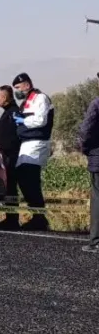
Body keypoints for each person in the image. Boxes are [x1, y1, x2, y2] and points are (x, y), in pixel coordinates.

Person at [11, 72, 53, 230]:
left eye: (18, 87)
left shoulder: (40, 98)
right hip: (26, 143)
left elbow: (41, 120)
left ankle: (39, 218)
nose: (17, 91)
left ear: (27, 85)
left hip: (37, 142)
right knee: (23, 178)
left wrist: (24, 121)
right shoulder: (26, 101)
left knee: (30, 179)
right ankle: (35, 214)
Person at [0, 85, 23, 229]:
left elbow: (17, 134)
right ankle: (10, 217)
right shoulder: (8, 112)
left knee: (11, 187)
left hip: (12, 156)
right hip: (7, 155)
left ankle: (12, 219)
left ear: (4, 98)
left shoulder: (14, 113)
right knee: (9, 188)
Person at [77, 73, 99, 253]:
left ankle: (96, 241)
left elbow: (86, 131)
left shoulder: (96, 103)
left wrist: (86, 149)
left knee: (98, 199)